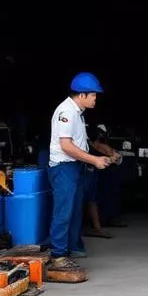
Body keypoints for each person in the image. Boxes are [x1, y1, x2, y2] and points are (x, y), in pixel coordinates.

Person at [47, 73, 110, 268]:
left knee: (74, 210)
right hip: (64, 168)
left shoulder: (77, 113)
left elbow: (80, 143)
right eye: (93, 95)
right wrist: (94, 160)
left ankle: (72, 247)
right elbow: (66, 146)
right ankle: (57, 255)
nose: (95, 99)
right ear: (81, 95)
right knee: (63, 211)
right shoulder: (66, 113)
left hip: (74, 167)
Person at [83, 123, 122, 238]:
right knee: (85, 200)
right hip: (84, 174)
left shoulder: (96, 145)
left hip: (92, 173)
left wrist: (112, 157)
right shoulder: (86, 145)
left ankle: (97, 227)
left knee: (92, 199)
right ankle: (94, 227)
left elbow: (116, 158)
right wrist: (111, 158)